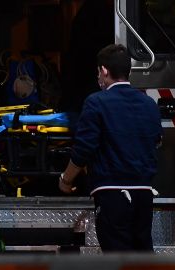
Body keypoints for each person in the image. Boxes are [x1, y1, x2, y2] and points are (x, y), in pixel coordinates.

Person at [58, 44, 162, 252]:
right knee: (143, 254)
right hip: (143, 192)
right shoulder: (149, 103)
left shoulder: (96, 102)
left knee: (117, 255)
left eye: (98, 71)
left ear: (104, 70)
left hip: (112, 193)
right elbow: (157, 141)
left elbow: (83, 150)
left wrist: (65, 180)